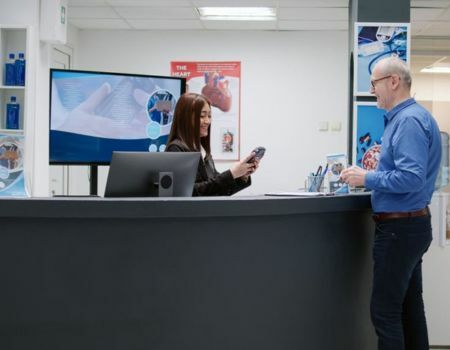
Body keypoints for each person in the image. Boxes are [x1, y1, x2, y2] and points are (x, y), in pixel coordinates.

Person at [340, 56, 441, 350]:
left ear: (393, 82)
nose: (372, 90)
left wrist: (366, 178)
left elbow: (410, 178)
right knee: (410, 311)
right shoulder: (412, 118)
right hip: (411, 225)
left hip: (400, 228)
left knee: (385, 313)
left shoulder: (408, 121)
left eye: (374, 83)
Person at [165, 93, 260, 196]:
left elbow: (217, 189)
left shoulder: (203, 151)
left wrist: (241, 175)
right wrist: (232, 173)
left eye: (209, 116)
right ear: (186, 118)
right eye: (202, 116)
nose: (207, 121)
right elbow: (190, 192)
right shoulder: (175, 149)